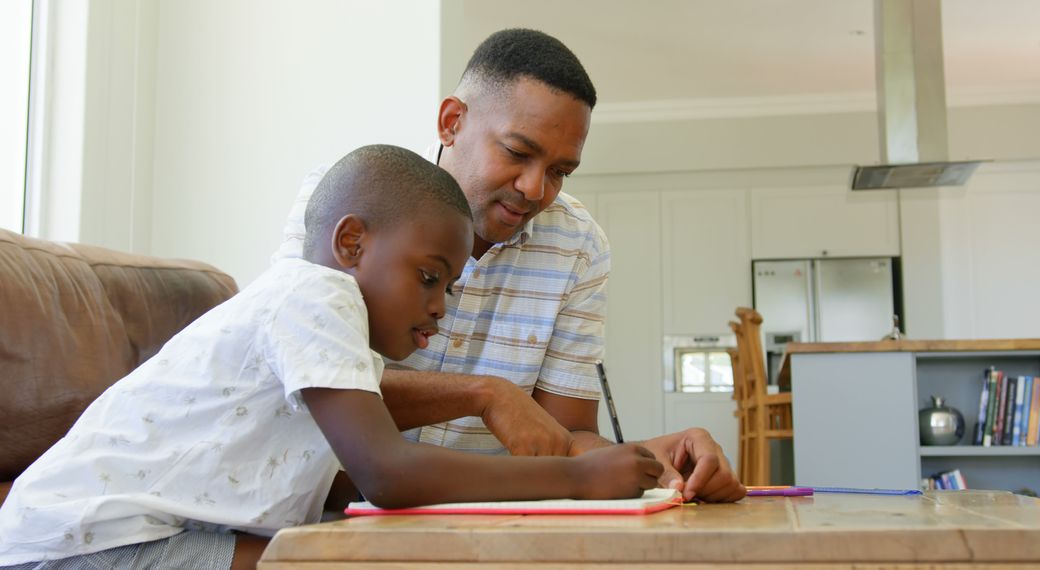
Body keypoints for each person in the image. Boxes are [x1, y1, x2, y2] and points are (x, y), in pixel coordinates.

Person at [0, 145, 664, 570]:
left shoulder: (333, 333)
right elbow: (389, 475)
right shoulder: (314, 296)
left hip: (122, 534)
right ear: (351, 243)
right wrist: (578, 482)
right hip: (79, 542)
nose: (441, 306)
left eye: (451, 288)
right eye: (430, 277)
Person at [276, 29, 746, 504]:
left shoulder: (579, 245)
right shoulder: (346, 196)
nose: (535, 188)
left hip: (490, 518)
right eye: (518, 153)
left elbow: (566, 435)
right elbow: (303, 373)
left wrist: (646, 462)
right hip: (328, 507)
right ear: (451, 122)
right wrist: (485, 393)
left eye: (560, 171)